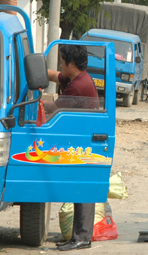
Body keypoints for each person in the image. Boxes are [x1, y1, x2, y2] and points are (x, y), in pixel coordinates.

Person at [44, 45, 98, 252]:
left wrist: (34, 102)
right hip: (80, 139)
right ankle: (78, 236)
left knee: (82, 189)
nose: (60, 64)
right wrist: (31, 68)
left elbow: (52, 108)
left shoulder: (79, 86)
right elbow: (56, 75)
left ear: (71, 64)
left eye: (62, 60)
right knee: (78, 188)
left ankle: (83, 237)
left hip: (84, 142)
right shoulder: (78, 77)